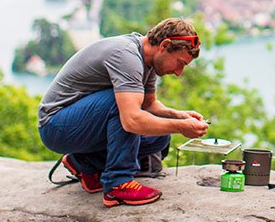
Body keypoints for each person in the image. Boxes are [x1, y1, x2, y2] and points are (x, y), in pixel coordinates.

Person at [38, 18, 208, 207]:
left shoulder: (148, 61)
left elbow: (150, 104)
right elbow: (132, 120)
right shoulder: (126, 55)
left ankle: (84, 163)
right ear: (164, 45)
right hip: (56, 125)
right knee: (123, 106)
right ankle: (118, 183)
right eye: (179, 62)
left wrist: (180, 116)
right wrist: (182, 127)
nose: (178, 72)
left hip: (79, 126)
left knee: (160, 136)